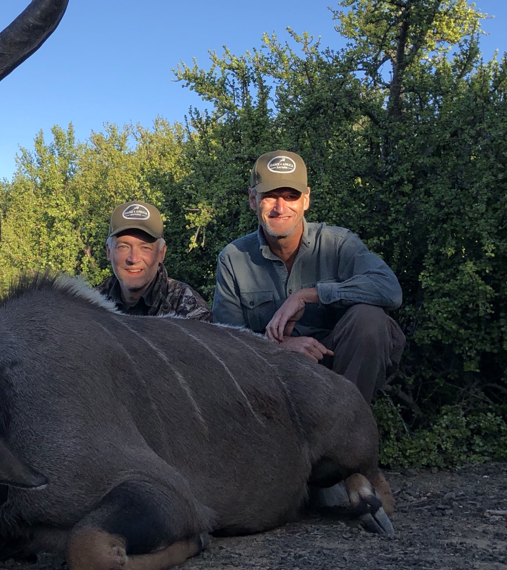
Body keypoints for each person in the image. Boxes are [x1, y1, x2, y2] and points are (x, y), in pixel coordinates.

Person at [211, 150, 404, 403]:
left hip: (340, 368)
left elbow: (389, 289)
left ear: (306, 200)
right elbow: (227, 342)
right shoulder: (233, 258)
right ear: (252, 199)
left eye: (291, 196)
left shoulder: (338, 243)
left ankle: (350, 423)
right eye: (270, 196)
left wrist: (310, 295)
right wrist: (278, 348)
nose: (281, 208)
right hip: (270, 375)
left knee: (370, 319)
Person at [96, 201, 211, 320]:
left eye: (145, 248)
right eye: (123, 247)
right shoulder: (92, 303)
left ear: (161, 253)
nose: (133, 258)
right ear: (109, 251)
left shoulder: (188, 307)